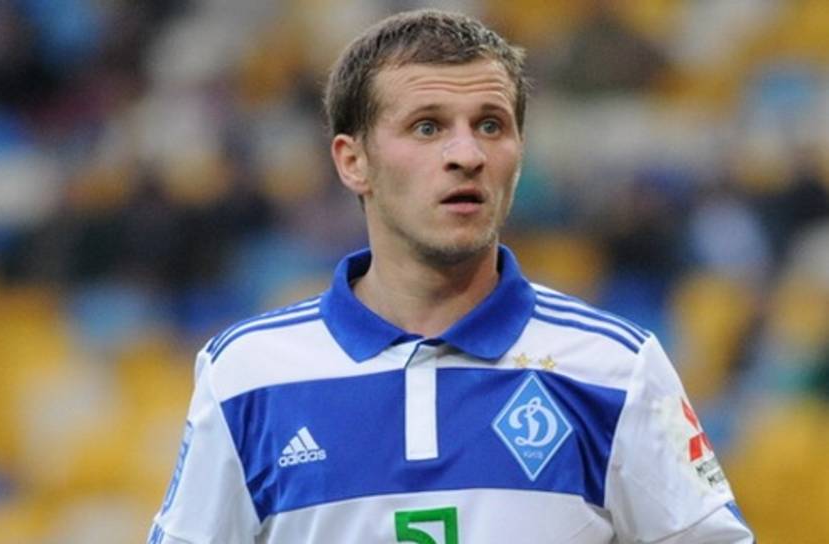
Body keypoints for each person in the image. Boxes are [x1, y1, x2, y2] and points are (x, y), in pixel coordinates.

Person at [148, 9, 754, 543]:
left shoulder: (615, 369)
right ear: (353, 161)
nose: (467, 155)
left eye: (490, 125)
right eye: (428, 127)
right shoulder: (247, 376)